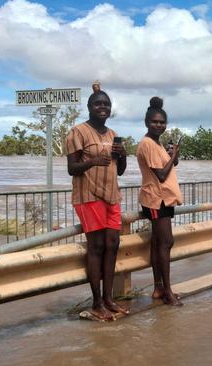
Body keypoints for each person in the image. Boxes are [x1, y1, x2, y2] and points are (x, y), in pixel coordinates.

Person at [66, 82, 129, 320]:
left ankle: (109, 299)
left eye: (106, 104)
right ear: (89, 107)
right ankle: (96, 302)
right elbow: (72, 168)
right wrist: (93, 161)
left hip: (112, 195)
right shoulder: (77, 132)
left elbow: (120, 170)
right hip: (89, 195)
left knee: (113, 245)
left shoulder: (113, 134)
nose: (103, 107)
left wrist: (122, 156)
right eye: (98, 104)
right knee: (97, 247)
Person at [136, 96, 183, 306]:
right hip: (156, 199)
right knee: (166, 243)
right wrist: (174, 156)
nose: (159, 125)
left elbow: (167, 167)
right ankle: (168, 292)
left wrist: (173, 156)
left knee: (158, 243)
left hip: (162, 198)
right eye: (155, 122)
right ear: (147, 122)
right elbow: (161, 175)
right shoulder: (147, 144)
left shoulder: (157, 143)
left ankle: (158, 288)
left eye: (162, 122)